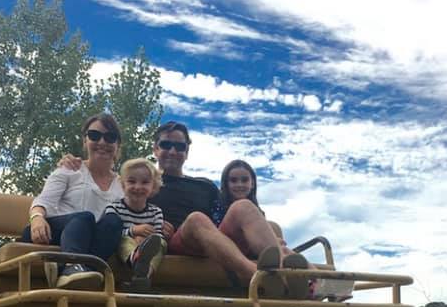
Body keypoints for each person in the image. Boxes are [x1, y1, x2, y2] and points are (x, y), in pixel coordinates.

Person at [57, 121, 309, 296]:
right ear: (155, 148)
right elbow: (106, 185)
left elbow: (225, 218)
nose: (173, 151)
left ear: (187, 151)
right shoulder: (141, 182)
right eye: (166, 145)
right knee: (197, 219)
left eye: (180, 146)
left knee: (243, 206)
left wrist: (271, 238)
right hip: (176, 241)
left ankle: (298, 277)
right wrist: (73, 163)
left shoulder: (204, 186)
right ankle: (255, 276)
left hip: (214, 240)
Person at [24, 114, 126, 291]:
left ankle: (80, 274)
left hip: (94, 241)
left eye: (110, 137)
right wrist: (37, 218)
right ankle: (70, 267)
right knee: (85, 218)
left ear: (117, 145)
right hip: (53, 232)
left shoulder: (123, 184)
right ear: (85, 141)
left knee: (114, 222)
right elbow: (44, 200)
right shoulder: (70, 169)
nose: (102, 142)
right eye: (94, 135)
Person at [103, 158, 167, 288]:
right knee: (123, 240)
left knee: (161, 242)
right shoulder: (114, 208)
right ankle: (136, 259)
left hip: (147, 245)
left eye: (145, 182)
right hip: (124, 249)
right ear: (123, 185)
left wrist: (145, 241)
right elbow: (110, 234)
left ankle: (144, 273)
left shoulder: (156, 212)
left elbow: (159, 234)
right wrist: (133, 232)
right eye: (131, 181)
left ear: (153, 187)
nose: (138, 187)